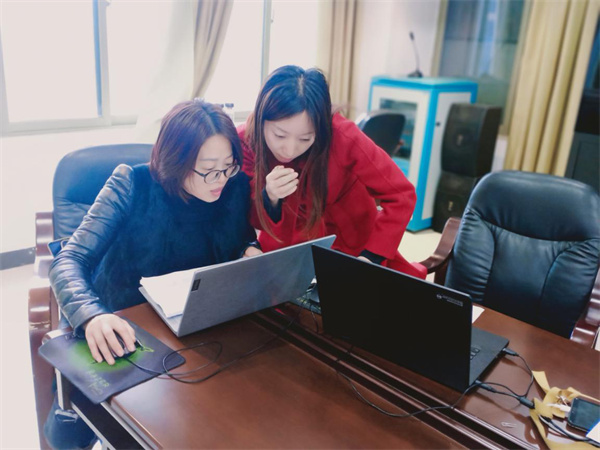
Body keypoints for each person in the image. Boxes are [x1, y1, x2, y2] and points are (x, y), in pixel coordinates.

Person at [45, 99, 259, 449]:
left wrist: (248, 250)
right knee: (112, 428)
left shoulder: (233, 186)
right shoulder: (132, 183)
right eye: (208, 169)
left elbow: (236, 238)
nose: (220, 179)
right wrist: (92, 315)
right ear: (176, 162)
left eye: (228, 166)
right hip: (127, 327)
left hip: (194, 332)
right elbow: (69, 259)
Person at [238, 65, 425, 278]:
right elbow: (247, 215)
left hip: (349, 241)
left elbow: (401, 194)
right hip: (285, 247)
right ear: (261, 119)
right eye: (279, 136)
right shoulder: (245, 140)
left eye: (305, 138)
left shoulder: (342, 135)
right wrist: (269, 197)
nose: (289, 150)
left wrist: (370, 257)